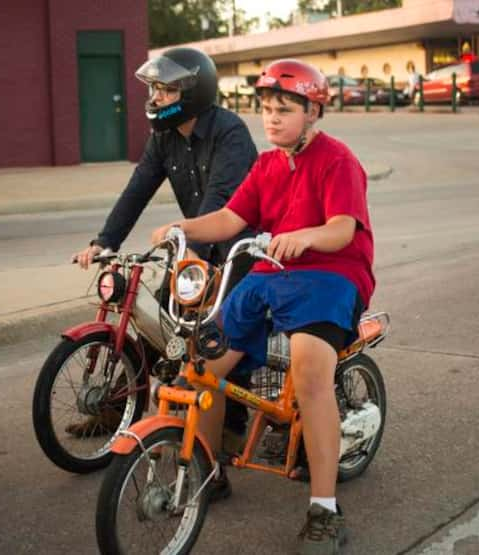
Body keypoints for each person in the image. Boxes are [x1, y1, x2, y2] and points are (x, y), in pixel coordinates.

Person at [151, 59, 375, 555]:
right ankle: (209, 472)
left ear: (313, 110)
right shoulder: (267, 164)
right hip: (269, 275)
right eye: (267, 109)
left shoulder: (338, 160)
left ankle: (324, 509)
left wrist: (303, 237)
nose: (271, 119)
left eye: (285, 109)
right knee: (201, 367)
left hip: (331, 276)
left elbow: (342, 229)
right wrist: (181, 229)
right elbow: (232, 218)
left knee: (310, 373)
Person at [71, 47, 258, 472]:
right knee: (160, 323)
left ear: (191, 93)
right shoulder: (164, 137)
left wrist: (193, 250)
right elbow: (137, 189)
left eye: (165, 89)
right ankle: (122, 408)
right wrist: (105, 241)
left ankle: (230, 423)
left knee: (222, 333)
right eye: (154, 88)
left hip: (236, 248)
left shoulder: (230, 133)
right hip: (193, 249)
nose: (154, 97)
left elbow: (221, 201)